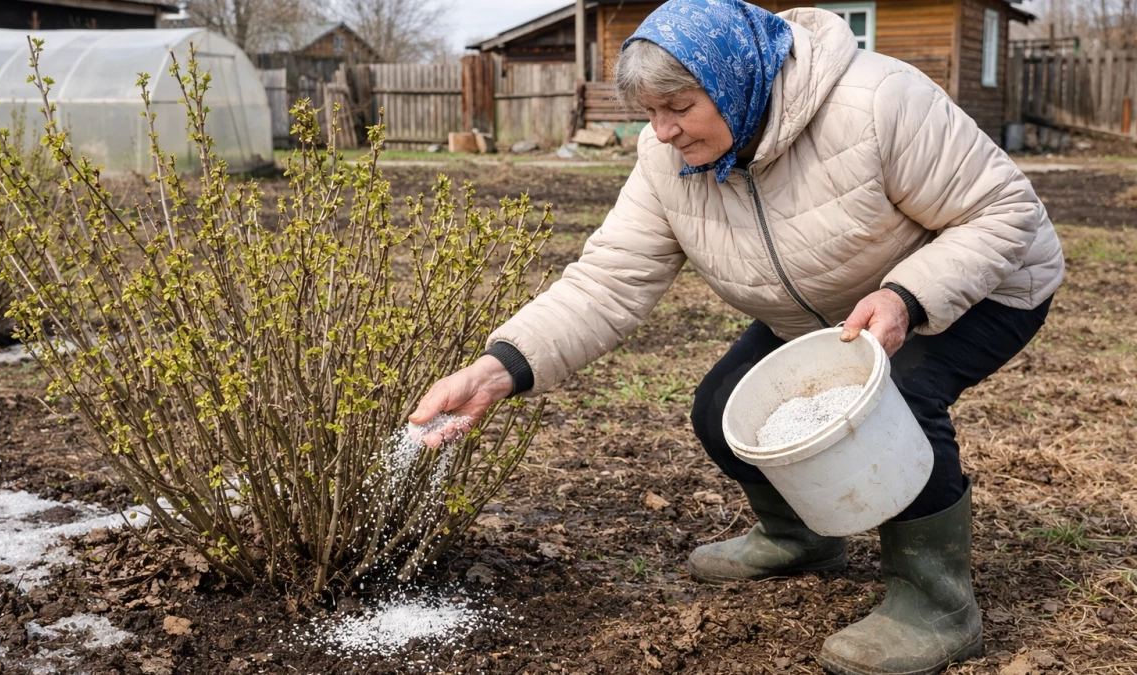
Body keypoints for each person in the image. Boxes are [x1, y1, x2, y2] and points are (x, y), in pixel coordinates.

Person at [410, 1, 1064, 673]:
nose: (662, 130)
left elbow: (1002, 210)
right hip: (836, 309)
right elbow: (608, 280)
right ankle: (800, 536)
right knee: (723, 408)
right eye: (650, 111)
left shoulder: (875, 102)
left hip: (985, 282)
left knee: (893, 399)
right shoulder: (665, 159)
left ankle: (938, 605)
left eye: (679, 107)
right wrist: (498, 368)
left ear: (735, 82)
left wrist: (905, 296)